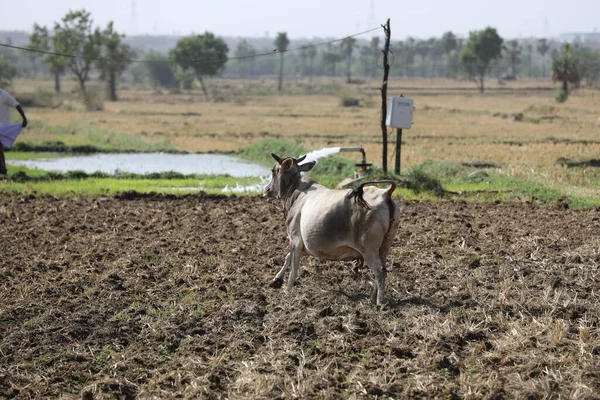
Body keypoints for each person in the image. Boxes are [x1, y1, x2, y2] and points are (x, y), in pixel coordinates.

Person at [0, 89, 27, 175]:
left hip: (4, 127)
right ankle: (3, 169)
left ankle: (3, 170)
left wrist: (24, 118)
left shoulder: (4, 95)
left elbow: (17, 105)